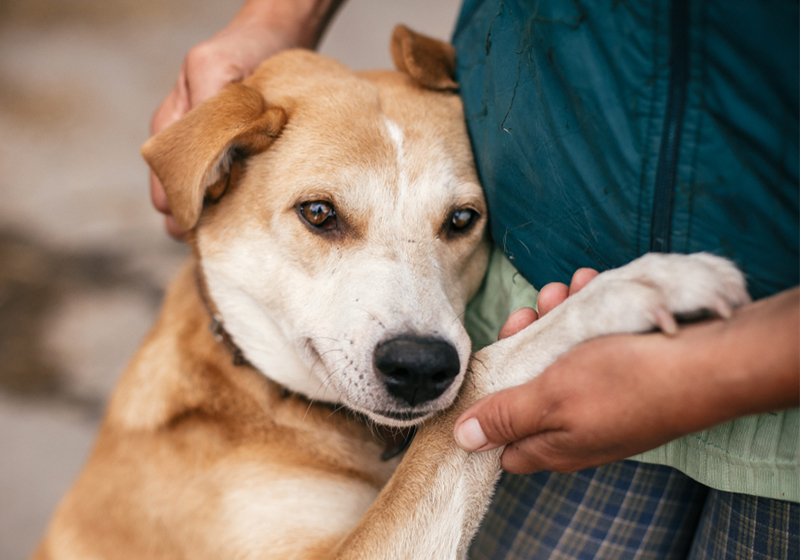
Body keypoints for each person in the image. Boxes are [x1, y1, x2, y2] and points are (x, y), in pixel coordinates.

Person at [149, 1, 799, 557]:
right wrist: (282, 13)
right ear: (216, 175)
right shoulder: (180, 441)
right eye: (323, 216)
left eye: (457, 220)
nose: (413, 333)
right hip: (557, 332)